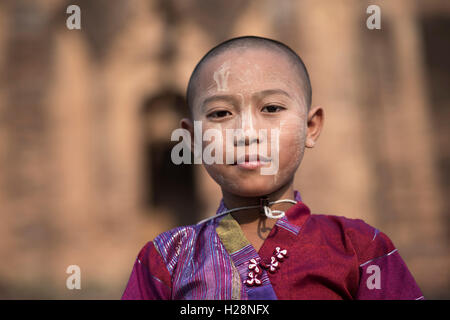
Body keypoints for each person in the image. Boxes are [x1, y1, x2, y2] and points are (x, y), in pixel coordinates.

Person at [121, 36, 424, 300]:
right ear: (192, 139)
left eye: (271, 108)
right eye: (221, 113)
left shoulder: (359, 248)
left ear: (311, 127)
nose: (248, 133)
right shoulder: (166, 260)